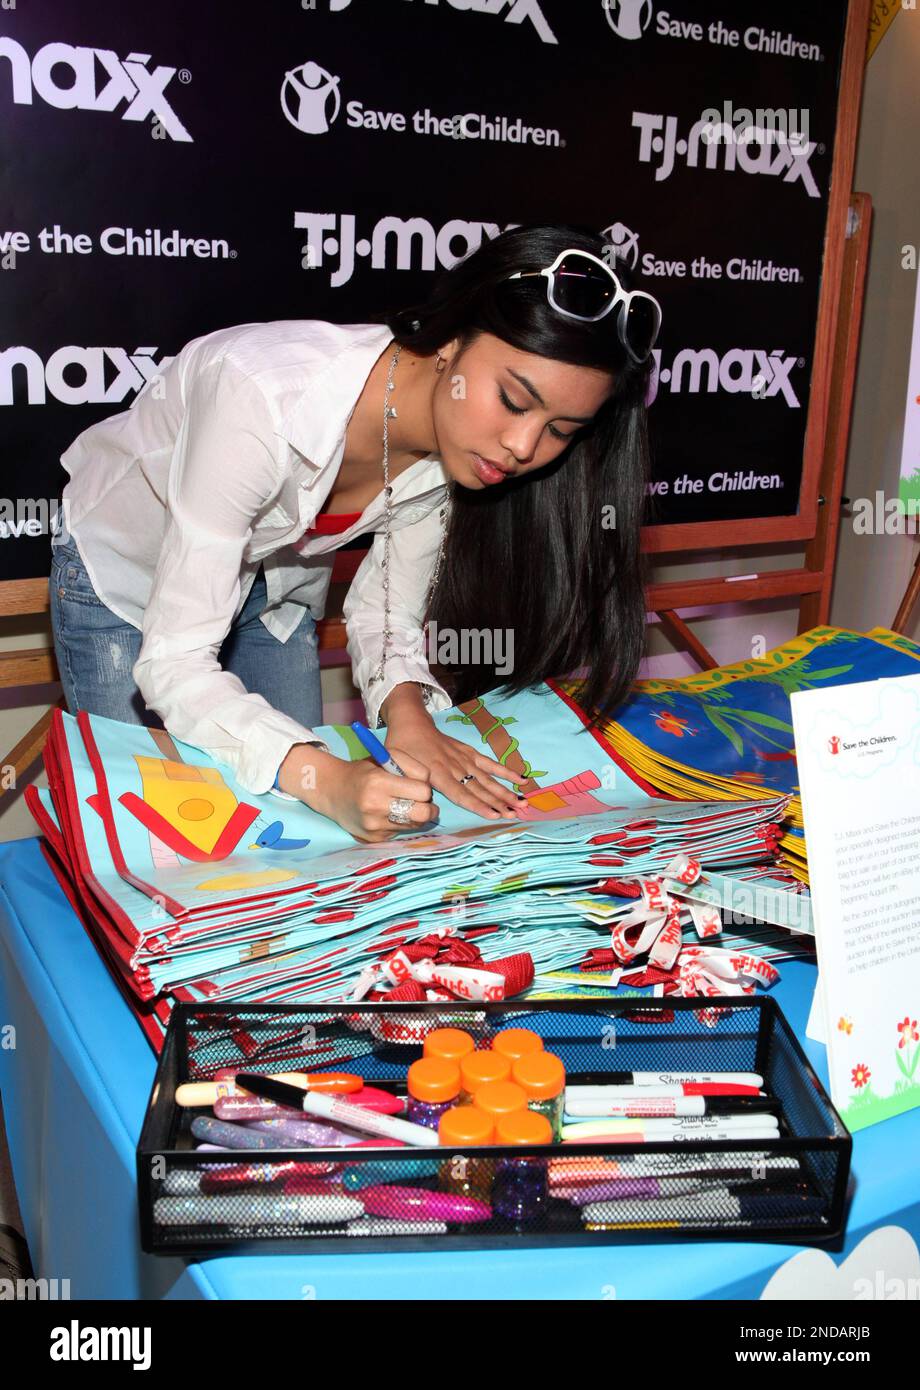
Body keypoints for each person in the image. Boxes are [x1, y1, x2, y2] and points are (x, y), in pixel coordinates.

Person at [50, 223, 661, 843]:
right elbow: (175, 661)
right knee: (159, 827)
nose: (523, 447)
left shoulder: (460, 450)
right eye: (512, 399)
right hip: (128, 577)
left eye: (561, 430)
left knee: (291, 828)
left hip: (275, 583)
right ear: (449, 341)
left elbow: (389, 615)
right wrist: (327, 780)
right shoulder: (261, 399)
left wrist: (409, 718)